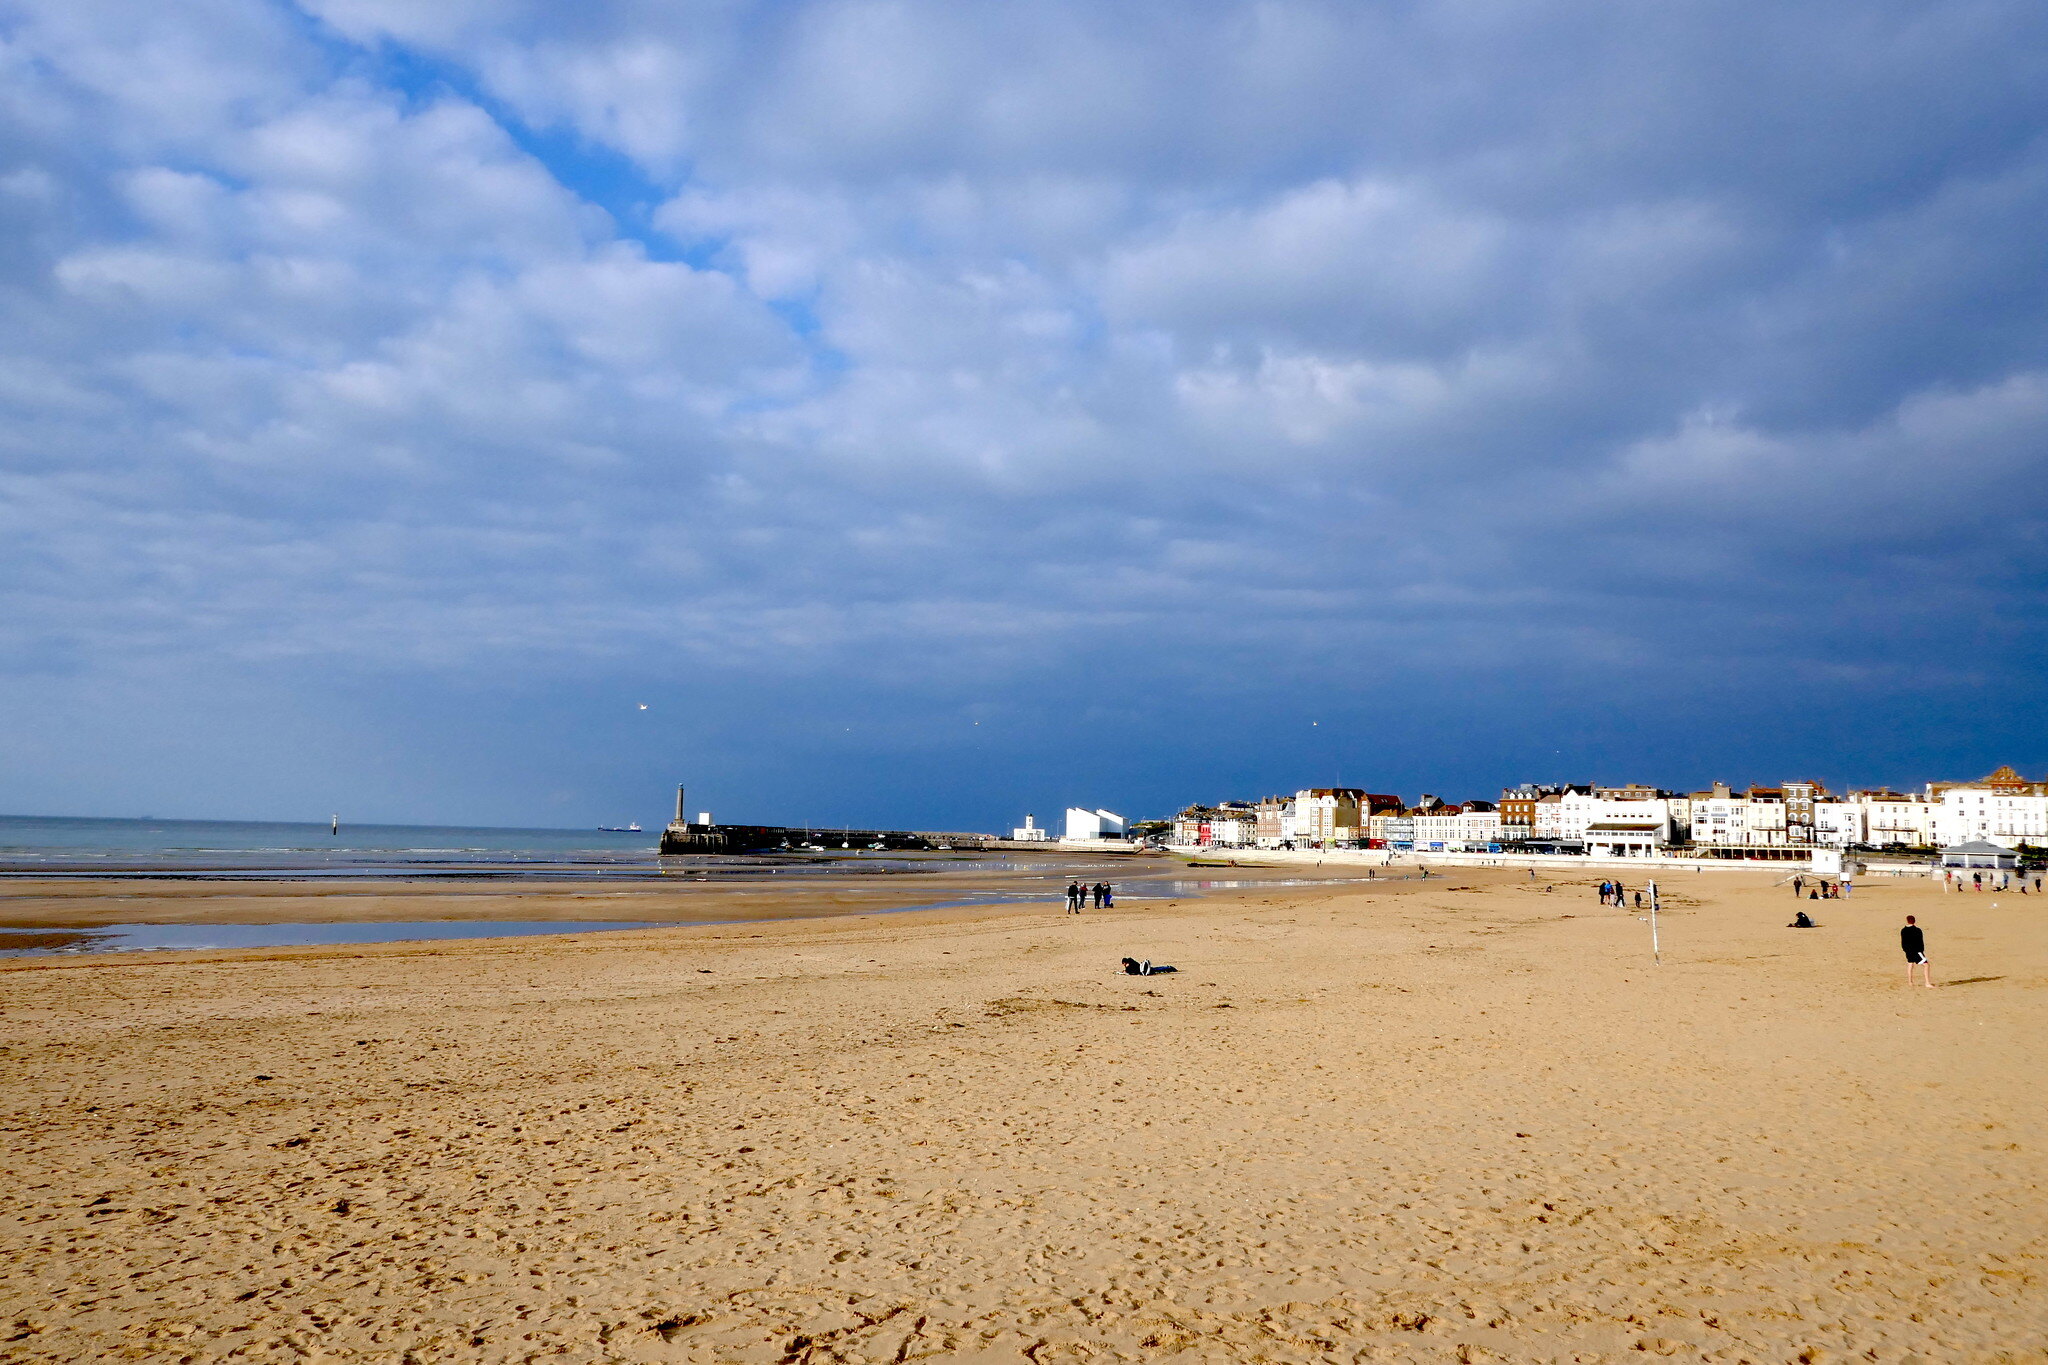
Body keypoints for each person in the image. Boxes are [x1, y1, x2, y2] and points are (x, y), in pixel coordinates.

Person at [1901, 915, 1933, 987]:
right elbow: (1920, 942)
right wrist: (1921, 951)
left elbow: (1903, 942)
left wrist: (1905, 950)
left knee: (1910, 964)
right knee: (1926, 965)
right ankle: (1927, 983)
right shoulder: (1917, 930)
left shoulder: (1903, 930)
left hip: (1908, 951)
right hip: (1917, 951)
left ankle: (1910, 982)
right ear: (1914, 921)